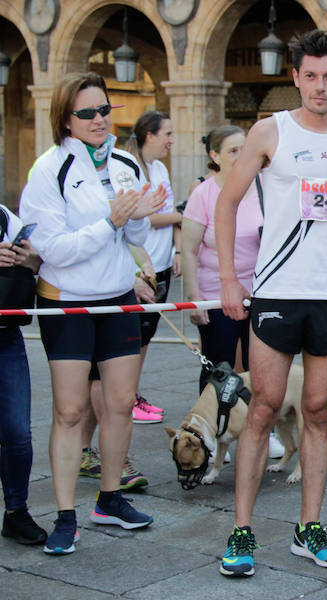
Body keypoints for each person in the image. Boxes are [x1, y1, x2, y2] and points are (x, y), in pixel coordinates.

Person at [214, 30, 327, 577]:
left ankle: (309, 527)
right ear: (295, 77)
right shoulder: (271, 131)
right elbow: (227, 204)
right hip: (277, 292)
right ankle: (241, 532)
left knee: (319, 411)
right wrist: (230, 278)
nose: (321, 86)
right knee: (264, 409)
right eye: (311, 75)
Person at [19, 72, 165, 555]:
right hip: (68, 301)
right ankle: (65, 514)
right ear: (66, 117)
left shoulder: (124, 161)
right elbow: (53, 250)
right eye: (88, 113)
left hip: (119, 295)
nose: (100, 119)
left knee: (120, 404)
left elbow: (137, 239)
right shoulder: (49, 168)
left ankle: (110, 498)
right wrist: (112, 221)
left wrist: (140, 214)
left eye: (106, 110)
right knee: (70, 409)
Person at [182, 125, 261, 395]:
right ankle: (213, 426)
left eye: (245, 149)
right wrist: (196, 300)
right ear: (215, 156)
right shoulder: (203, 193)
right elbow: (189, 251)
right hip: (216, 295)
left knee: (260, 369)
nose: (241, 156)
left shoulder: (264, 187)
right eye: (233, 151)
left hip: (259, 293)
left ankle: (260, 429)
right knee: (219, 368)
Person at [124, 111, 181, 420]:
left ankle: (134, 392)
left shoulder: (160, 168)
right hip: (138, 265)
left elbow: (165, 210)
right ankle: (126, 396)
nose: (171, 141)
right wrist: (179, 217)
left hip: (160, 261)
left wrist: (178, 250)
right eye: (167, 134)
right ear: (150, 135)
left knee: (147, 335)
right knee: (134, 335)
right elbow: (142, 216)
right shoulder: (129, 169)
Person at [0, 205, 47, 546]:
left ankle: (16, 512)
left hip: (6, 336)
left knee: (18, 431)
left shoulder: (3, 216)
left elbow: (35, 265)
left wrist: (27, 258)